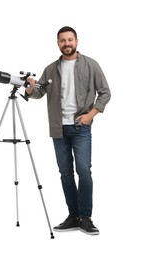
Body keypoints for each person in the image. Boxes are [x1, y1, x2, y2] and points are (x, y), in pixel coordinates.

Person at [25, 26, 111, 235]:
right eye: (62, 40)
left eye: (70, 40)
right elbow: (38, 93)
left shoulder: (91, 65)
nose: (67, 43)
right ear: (58, 43)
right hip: (58, 128)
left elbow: (105, 93)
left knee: (83, 171)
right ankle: (73, 216)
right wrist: (29, 89)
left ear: (77, 41)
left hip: (81, 127)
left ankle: (86, 217)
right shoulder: (51, 68)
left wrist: (91, 114)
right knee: (65, 173)